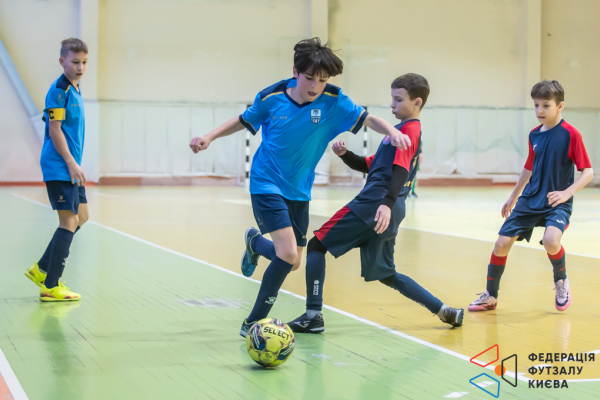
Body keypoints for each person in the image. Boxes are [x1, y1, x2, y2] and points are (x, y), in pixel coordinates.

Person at [189, 38, 412, 337]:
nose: (315, 86)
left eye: (322, 80)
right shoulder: (271, 97)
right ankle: (252, 323)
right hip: (266, 182)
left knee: (292, 261)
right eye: (309, 78)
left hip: (299, 191)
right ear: (295, 71)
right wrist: (209, 136)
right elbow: (242, 121)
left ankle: (255, 243)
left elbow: (368, 119)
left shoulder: (334, 100)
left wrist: (392, 131)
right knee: (287, 253)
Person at [287, 73, 464, 333]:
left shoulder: (409, 130)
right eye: (392, 98)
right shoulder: (398, 133)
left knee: (316, 245)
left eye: (398, 99)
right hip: (390, 208)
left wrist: (385, 203)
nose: (392, 104)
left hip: (374, 204)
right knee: (386, 273)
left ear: (417, 102)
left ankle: (313, 315)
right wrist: (345, 154)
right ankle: (444, 311)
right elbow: (370, 165)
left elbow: (401, 170)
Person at [468, 80, 593, 312]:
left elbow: (588, 172)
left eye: (546, 105)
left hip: (556, 201)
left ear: (560, 106)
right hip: (530, 198)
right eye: (536, 105)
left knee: (551, 241)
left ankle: (561, 281)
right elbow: (528, 167)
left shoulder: (571, 134)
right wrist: (513, 196)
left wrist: (567, 193)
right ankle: (490, 296)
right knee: (501, 244)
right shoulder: (534, 134)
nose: (539, 110)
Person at [24, 38, 90, 301]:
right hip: (60, 165)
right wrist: (71, 163)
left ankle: (41, 269)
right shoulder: (59, 90)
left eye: (84, 62)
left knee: (81, 217)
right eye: (75, 62)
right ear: (62, 61)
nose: (80, 67)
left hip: (71, 166)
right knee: (69, 221)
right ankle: (50, 286)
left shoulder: (76, 88)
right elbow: (54, 130)